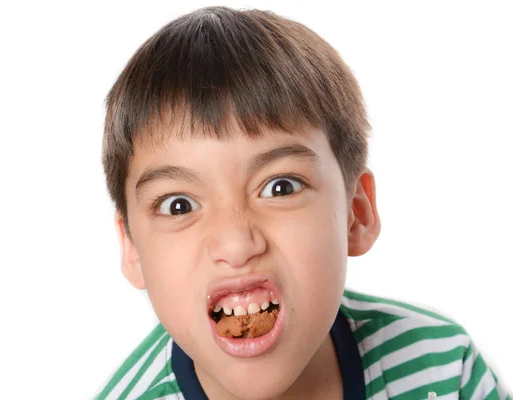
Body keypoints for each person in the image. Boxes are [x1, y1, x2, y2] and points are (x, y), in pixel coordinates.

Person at [95, 6, 510, 400]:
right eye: (179, 205)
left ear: (356, 214)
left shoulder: (444, 372)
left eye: (280, 187)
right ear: (131, 247)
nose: (236, 244)